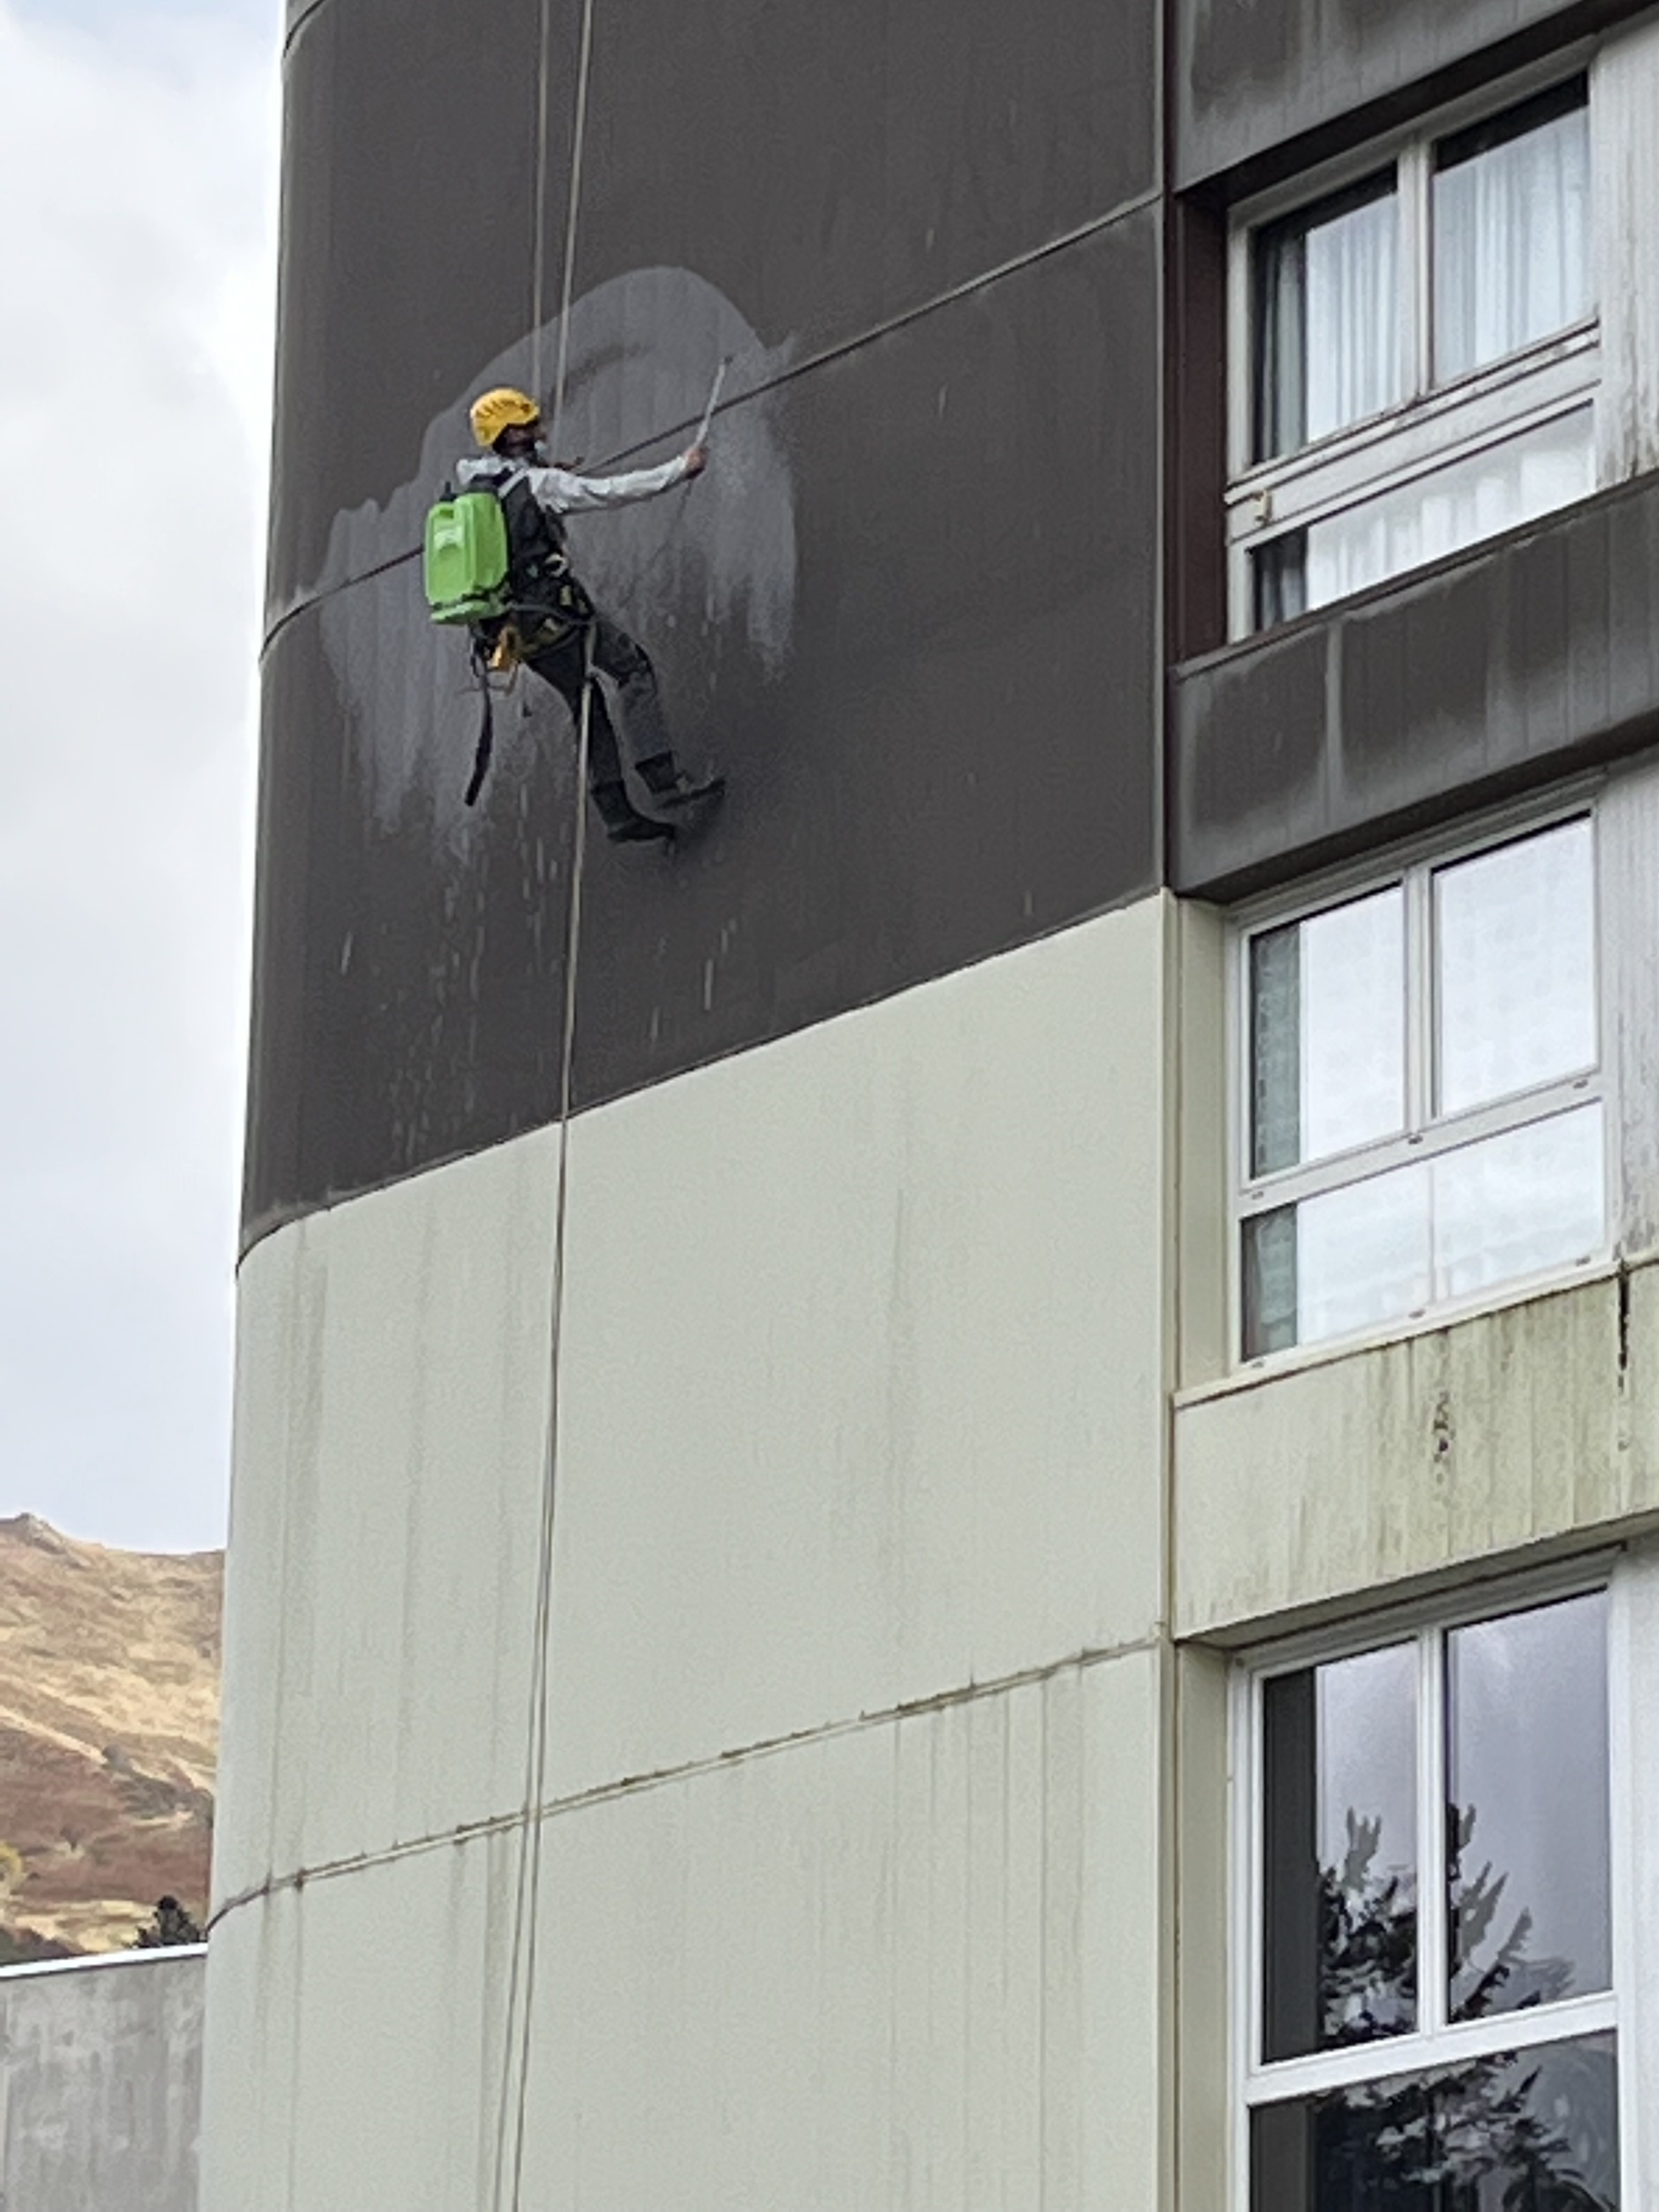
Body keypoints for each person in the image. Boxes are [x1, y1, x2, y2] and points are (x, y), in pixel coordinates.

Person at [459, 386, 723, 842]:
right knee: (632, 669)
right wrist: (682, 468)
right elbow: (611, 492)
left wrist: (542, 472)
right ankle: (663, 780)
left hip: (510, 630)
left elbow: (511, 511)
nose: (541, 429)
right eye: (531, 424)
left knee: (585, 701)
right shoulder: (542, 487)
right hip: (558, 616)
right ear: (513, 434)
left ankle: (617, 812)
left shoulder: (474, 487)